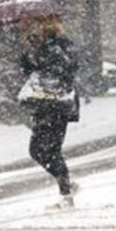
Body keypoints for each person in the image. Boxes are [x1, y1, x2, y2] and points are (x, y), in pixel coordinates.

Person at [20, 16, 79, 209]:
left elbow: (39, 70)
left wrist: (33, 50)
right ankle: (66, 188)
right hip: (58, 106)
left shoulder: (52, 49)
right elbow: (32, 69)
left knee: (39, 150)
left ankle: (66, 191)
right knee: (50, 151)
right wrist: (31, 49)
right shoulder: (62, 47)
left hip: (50, 107)